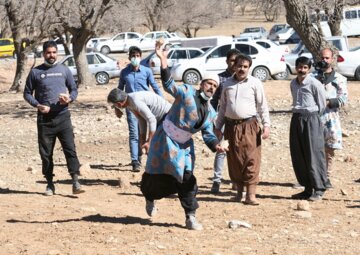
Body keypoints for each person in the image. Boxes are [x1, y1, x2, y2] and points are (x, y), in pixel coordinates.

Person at [140, 42, 227, 231]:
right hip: (164, 140)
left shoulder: (211, 112)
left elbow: (208, 134)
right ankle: (150, 196)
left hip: (184, 147)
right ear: (202, 83)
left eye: (214, 85)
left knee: (187, 179)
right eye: (208, 83)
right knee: (155, 175)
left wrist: (216, 146)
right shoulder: (186, 91)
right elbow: (169, 85)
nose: (211, 87)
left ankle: (190, 217)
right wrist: (163, 61)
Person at [23, 40, 85, 196]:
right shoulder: (36, 72)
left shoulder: (64, 70)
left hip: (63, 117)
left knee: (70, 149)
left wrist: (69, 99)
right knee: (46, 154)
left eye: (54, 52)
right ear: (43, 54)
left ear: (57, 53)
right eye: (48, 52)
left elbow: (74, 90)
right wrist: (37, 105)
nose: (51, 55)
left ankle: (75, 181)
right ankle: (50, 184)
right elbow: (27, 93)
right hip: (45, 121)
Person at [215, 54, 271, 205]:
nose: (242, 69)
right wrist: (218, 127)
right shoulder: (227, 84)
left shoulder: (255, 83)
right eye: (239, 66)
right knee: (234, 160)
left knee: (251, 159)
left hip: (249, 126)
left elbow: (262, 106)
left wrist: (266, 126)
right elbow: (223, 107)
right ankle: (239, 193)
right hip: (230, 127)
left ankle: (251, 195)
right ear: (234, 66)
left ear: (249, 68)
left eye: (245, 67)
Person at [118, 46, 163, 172]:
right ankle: (135, 160)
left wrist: (162, 100)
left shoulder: (147, 71)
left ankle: (147, 155)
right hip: (130, 107)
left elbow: (154, 86)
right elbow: (119, 90)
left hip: (145, 107)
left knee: (147, 131)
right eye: (133, 56)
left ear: (140, 57)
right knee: (134, 133)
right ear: (129, 58)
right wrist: (117, 107)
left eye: (137, 56)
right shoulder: (124, 72)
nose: (135, 58)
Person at [289, 56, 328, 201]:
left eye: (305, 67)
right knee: (299, 154)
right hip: (297, 118)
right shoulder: (293, 83)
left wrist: (313, 118)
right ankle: (307, 188)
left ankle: (319, 188)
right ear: (296, 68)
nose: (302, 70)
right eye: (300, 67)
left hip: (311, 119)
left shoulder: (314, 83)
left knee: (313, 153)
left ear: (309, 68)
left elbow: (322, 104)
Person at [314, 48, 348, 188]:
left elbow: (344, 98)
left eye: (327, 58)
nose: (324, 60)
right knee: (314, 148)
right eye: (322, 58)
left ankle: (327, 177)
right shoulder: (312, 77)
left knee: (329, 149)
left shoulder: (339, 79)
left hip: (331, 118)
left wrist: (328, 102)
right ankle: (314, 176)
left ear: (332, 59)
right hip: (314, 118)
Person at [210, 49, 241, 194]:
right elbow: (214, 102)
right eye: (232, 60)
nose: (234, 64)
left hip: (241, 122)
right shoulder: (220, 79)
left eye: (237, 60)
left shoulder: (244, 78)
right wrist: (214, 120)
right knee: (221, 150)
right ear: (227, 61)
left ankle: (237, 181)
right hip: (223, 120)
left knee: (238, 151)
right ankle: (216, 181)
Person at [107, 89, 171, 154]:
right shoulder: (128, 103)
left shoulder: (135, 101)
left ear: (119, 104)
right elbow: (141, 119)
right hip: (160, 119)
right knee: (155, 147)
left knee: (158, 146)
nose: (116, 107)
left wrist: (149, 141)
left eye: (114, 106)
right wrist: (142, 140)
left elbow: (152, 120)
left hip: (168, 115)